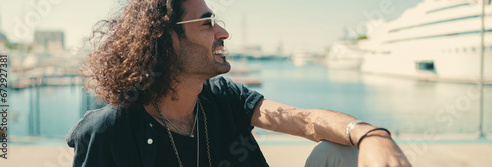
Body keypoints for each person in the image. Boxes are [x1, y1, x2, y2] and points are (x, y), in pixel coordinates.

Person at [66, 0, 411, 166]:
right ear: (168, 41)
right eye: (207, 23)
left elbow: (303, 120)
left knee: (341, 151)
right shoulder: (110, 131)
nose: (223, 32)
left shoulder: (222, 97)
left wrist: (370, 134)